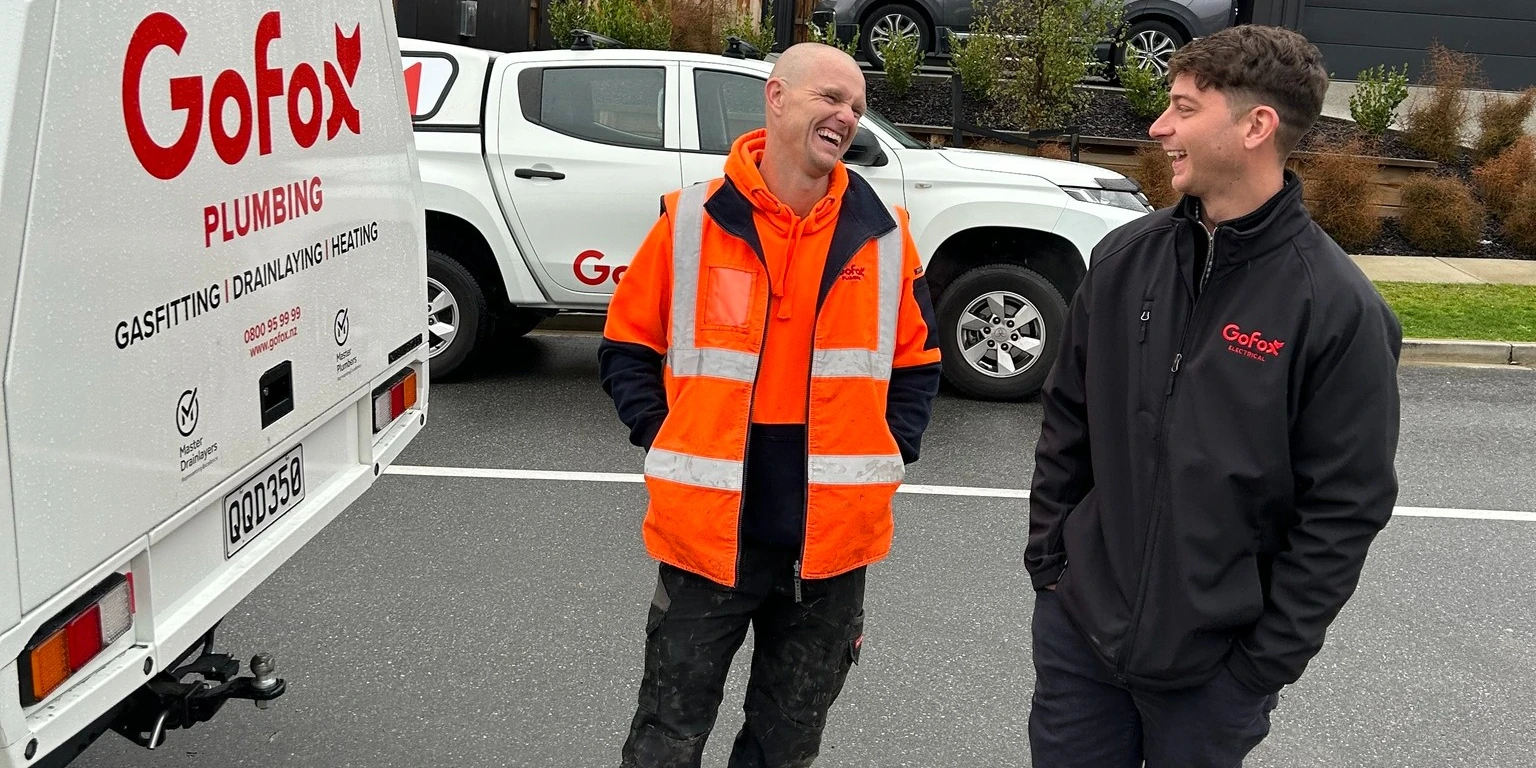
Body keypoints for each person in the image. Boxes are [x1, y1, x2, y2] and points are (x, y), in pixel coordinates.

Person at [1025, 25, 1403, 767]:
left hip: (1213, 677)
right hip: (1081, 639)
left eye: (1184, 107)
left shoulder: (1335, 307)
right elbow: (1067, 420)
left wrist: (1257, 668)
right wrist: (1052, 567)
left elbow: (1345, 509)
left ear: (1256, 125)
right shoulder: (1124, 257)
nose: (1159, 127)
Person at [598, 42, 943, 768]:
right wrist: (663, 432)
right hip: (708, 540)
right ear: (777, 98)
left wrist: (892, 446)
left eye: (856, 105)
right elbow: (625, 345)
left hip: (830, 546)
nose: (847, 115)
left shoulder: (884, 235)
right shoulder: (693, 219)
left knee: (786, 747)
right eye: (831, 97)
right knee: (666, 736)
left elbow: (919, 365)